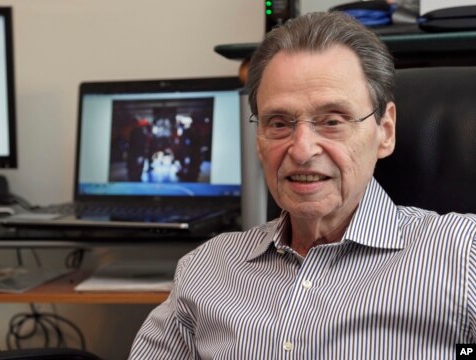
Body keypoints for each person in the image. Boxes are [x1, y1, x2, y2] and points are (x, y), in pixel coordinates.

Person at [129, 11, 476, 359]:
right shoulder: (205, 269)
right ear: (258, 139)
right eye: (279, 123)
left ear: (385, 131)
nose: (302, 149)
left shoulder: (463, 255)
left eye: (332, 121)